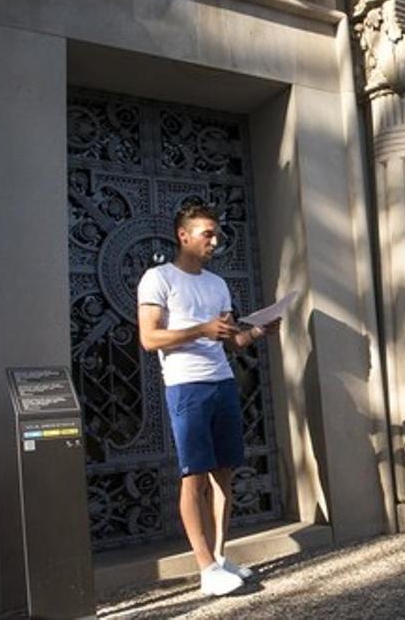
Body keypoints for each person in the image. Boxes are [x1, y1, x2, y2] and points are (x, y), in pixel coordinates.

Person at [137, 202, 281, 596]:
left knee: (224, 475)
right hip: (186, 387)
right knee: (194, 477)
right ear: (183, 235)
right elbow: (149, 339)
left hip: (222, 383)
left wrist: (255, 333)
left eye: (216, 234)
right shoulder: (158, 278)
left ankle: (219, 558)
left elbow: (230, 340)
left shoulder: (217, 284)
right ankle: (204, 568)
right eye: (207, 234)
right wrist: (200, 328)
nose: (215, 241)